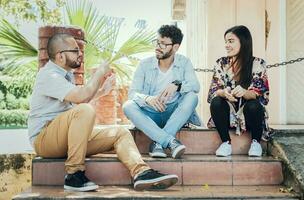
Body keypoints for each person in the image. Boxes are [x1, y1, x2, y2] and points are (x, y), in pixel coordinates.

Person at [28, 33, 178, 192]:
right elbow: (81, 99)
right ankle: (74, 174)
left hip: (65, 138)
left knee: (120, 132)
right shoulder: (49, 75)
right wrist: (99, 73)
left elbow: (79, 99)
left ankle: (141, 172)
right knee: (84, 111)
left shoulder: (66, 75)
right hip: (44, 139)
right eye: (75, 51)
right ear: (60, 56)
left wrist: (102, 90)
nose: (80, 54)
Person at [123, 25, 201, 159]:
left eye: (163, 44)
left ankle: (157, 143)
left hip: (174, 113)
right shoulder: (144, 64)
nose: (158, 47)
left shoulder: (184, 62)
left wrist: (178, 85)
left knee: (192, 97)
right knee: (128, 106)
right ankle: (169, 141)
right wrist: (148, 99)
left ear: (175, 47)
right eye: (157, 42)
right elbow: (133, 93)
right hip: (151, 113)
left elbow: (195, 86)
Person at [207, 25, 270, 157]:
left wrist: (245, 92)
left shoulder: (258, 63)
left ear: (243, 41)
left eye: (231, 41)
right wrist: (223, 92)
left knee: (254, 105)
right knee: (217, 101)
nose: (226, 45)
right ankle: (225, 143)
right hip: (228, 114)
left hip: (248, 115)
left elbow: (262, 94)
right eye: (226, 42)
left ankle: (255, 143)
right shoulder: (221, 63)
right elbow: (214, 89)